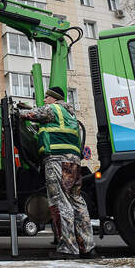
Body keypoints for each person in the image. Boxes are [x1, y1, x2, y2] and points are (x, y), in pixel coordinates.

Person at [19, 86, 96, 259]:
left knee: (60, 202)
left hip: (56, 159)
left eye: (47, 97)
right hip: (73, 162)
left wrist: (19, 110)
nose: (45, 100)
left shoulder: (52, 109)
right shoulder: (70, 115)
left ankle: (68, 249)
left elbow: (28, 115)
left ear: (54, 99)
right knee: (77, 202)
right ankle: (87, 247)